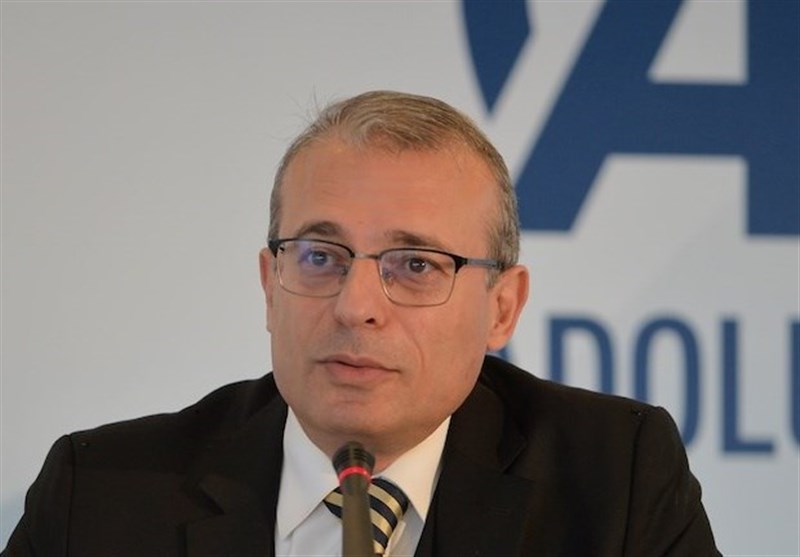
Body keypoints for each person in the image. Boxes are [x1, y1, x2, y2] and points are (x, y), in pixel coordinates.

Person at [2, 90, 720, 556]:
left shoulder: (615, 483)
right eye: (321, 256)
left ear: (502, 307)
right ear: (269, 285)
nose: (356, 305)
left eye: (416, 264)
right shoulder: (98, 496)